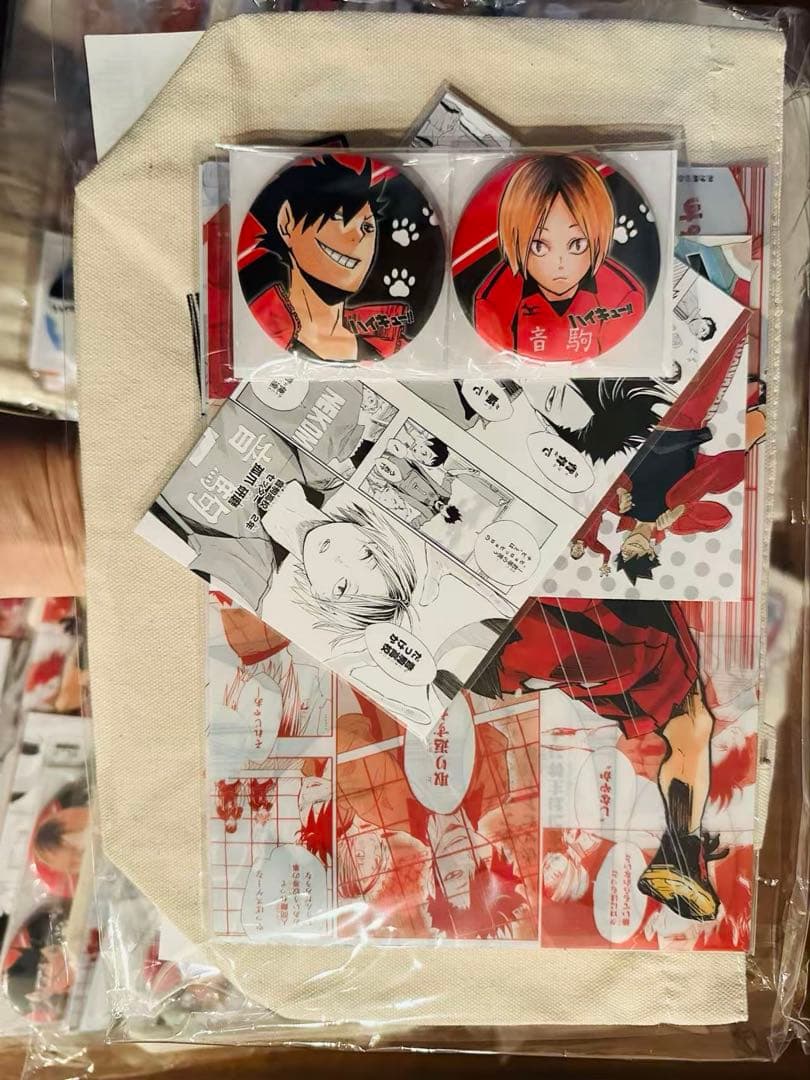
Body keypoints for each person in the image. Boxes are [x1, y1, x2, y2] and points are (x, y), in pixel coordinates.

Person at [433, 598, 727, 922]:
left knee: (690, 720)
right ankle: (681, 853)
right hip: (574, 634)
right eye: (558, 879)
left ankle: (681, 853)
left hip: (552, 639)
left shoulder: (504, 816)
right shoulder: (536, 824)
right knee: (690, 721)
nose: (549, 870)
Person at [473, 155, 646, 361]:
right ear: (515, 238)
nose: (560, 263)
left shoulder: (624, 297)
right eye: (539, 246)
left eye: (577, 244)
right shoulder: (493, 304)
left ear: (599, 236)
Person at [239, 155, 410, 362]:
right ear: (287, 222)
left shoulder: (388, 340)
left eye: (367, 227)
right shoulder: (262, 328)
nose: (356, 237)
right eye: (338, 217)